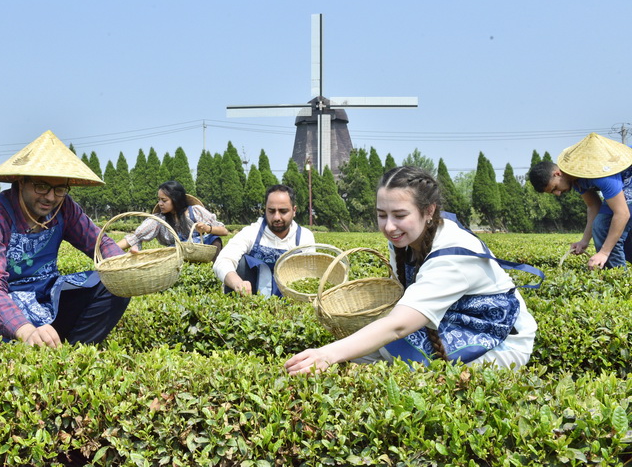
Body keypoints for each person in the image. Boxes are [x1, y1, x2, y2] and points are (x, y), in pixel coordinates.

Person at [285, 166, 538, 374]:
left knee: (395, 368)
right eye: (381, 215)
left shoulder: (453, 255)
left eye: (399, 215)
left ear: (428, 211)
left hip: (500, 341)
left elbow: (398, 325)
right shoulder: (406, 237)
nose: (389, 226)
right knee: (366, 356)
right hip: (447, 321)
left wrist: (327, 354)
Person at [0, 130, 130, 348]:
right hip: (3, 303)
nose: (50, 197)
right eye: (41, 186)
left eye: (59, 189)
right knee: (11, 331)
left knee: (113, 284)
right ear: (21, 182)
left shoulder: (64, 208)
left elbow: (99, 243)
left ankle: (75, 352)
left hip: (46, 296)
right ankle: (34, 342)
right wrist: (26, 331)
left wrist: (125, 265)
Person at [529, 133, 632, 269]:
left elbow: (622, 213)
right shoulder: (575, 179)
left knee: (604, 227)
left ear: (557, 174)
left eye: (555, 188)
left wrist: (604, 252)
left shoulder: (599, 173)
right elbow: (593, 207)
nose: (558, 193)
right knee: (603, 227)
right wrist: (584, 241)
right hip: (624, 182)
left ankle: (619, 281)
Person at [213, 184, 315, 297]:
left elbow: (311, 274)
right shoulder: (252, 232)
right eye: (271, 211)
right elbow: (223, 260)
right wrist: (237, 283)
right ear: (265, 210)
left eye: (283, 211)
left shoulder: (304, 237)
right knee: (240, 264)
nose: (277, 217)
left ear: (294, 210)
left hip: (290, 299)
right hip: (252, 297)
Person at [116, 180, 229, 261]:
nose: (160, 203)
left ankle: (216, 268)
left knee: (215, 240)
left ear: (175, 200)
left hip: (199, 249)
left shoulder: (195, 211)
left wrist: (207, 228)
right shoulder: (159, 220)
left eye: (164, 200)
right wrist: (110, 249)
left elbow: (224, 231)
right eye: (159, 200)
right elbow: (135, 237)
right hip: (176, 254)